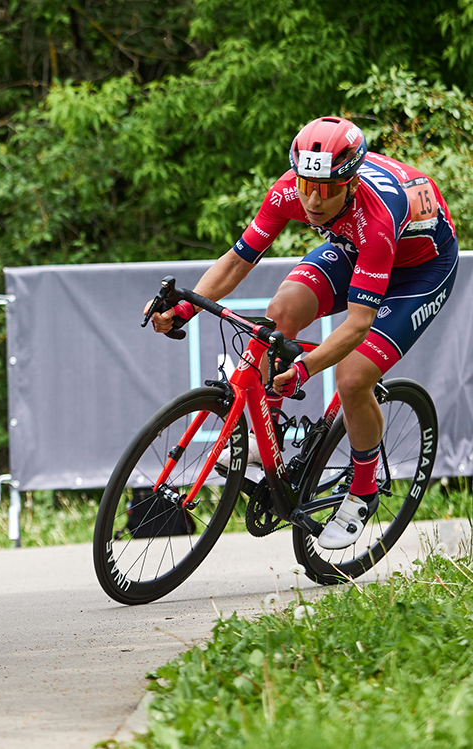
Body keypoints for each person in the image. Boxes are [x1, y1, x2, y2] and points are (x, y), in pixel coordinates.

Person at [147, 116, 458, 550]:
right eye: (306, 182)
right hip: (354, 248)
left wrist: (307, 367)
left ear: (350, 183)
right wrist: (183, 307)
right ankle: (266, 432)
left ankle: (363, 490)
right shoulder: (289, 190)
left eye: (327, 188)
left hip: (421, 269)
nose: (312, 198)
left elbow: (357, 323)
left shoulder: (378, 213)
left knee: (352, 377)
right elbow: (237, 261)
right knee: (280, 313)